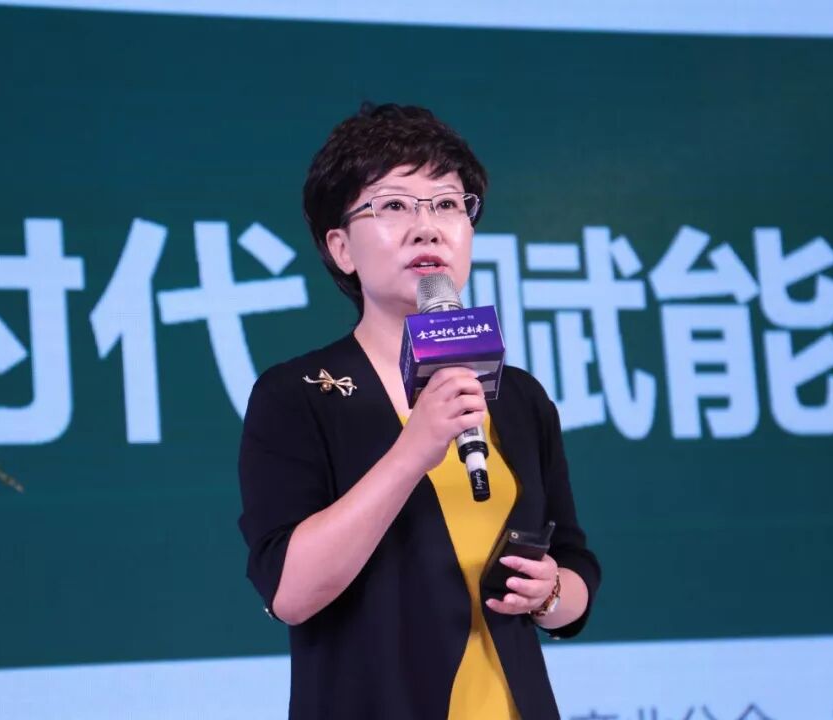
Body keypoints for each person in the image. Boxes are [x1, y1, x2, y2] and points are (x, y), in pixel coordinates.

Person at [238, 103, 601, 720]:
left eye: (448, 204)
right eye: (393, 206)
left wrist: (550, 593)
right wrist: (412, 451)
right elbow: (290, 592)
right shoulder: (296, 394)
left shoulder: (519, 397)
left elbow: (574, 568)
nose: (427, 228)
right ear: (341, 248)